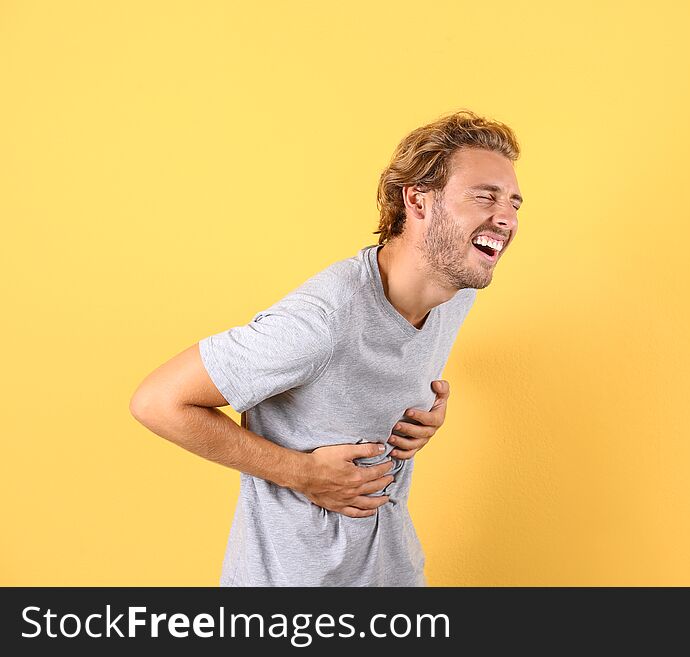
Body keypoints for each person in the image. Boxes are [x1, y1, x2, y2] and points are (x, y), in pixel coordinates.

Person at [129, 109, 523, 586]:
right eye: (485, 197)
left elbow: (373, 374)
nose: (505, 217)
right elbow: (157, 402)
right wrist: (302, 472)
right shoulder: (323, 318)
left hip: (390, 574)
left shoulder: (454, 291)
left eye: (515, 204)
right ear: (418, 200)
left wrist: (423, 409)